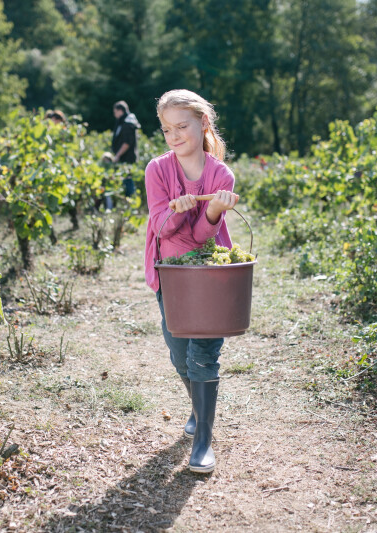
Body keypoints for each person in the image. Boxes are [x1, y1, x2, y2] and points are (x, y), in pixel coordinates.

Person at [143, 89, 239, 473]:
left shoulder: (220, 174)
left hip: (209, 275)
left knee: (203, 354)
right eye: (167, 129)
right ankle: (198, 413)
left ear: (203, 123)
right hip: (172, 274)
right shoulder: (157, 170)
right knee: (179, 355)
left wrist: (213, 208)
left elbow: (202, 239)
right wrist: (176, 211)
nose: (175, 136)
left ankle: (203, 439)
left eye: (182, 126)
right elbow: (161, 229)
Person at [107, 101, 140, 208]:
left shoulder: (127, 123)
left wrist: (117, 155)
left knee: (128, 181)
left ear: (120, 111)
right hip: (124, 158)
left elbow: (127, 143)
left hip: (127, 158)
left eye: (115, 112)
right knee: (125, 180)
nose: (114, 114)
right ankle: (127, 205)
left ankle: (131, 206)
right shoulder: (123, 122)